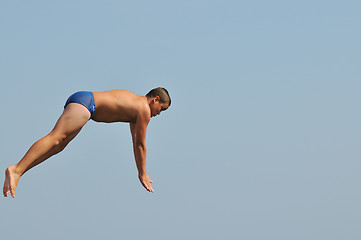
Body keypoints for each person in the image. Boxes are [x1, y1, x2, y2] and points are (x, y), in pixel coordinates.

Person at [3, 87, 171, 198]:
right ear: (155, 99)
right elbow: (140, 145)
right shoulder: (143, 110)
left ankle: (19, 172)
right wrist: (143, 173)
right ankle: (16, 169)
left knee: (59, 146)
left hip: (84, 101)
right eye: (161, 109)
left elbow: (136, 141)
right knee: (56, 137)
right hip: (87, 104)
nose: (159, 114)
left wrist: (140, 170)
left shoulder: (137, 107)